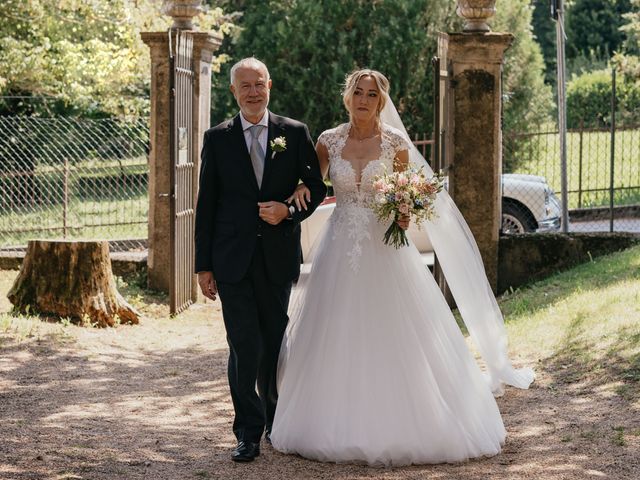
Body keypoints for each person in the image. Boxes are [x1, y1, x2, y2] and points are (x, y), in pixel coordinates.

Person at [270, 69, 534, 466]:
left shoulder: (395, 145)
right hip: (339, 247)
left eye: (371, 94)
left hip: (384, 247)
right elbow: (310, 183)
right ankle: (332, 418)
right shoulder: (328, 141)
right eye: (357, 92)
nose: (363, 99)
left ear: (381, 101)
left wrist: (405, 212)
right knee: (335, 328)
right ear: (348, 97)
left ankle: (410, 417)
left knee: (392, 327)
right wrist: (290, 197)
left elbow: (404, 195)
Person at [194, 57, 327, 463]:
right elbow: (207, 205)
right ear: (233, 91)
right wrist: (203, 265)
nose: (253, 91)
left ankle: (273, 420)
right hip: (231, 259)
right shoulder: (217, 139)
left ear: (270, 86)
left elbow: (317, 189)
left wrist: (288, 212)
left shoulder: (294, 132)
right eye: (245, 85)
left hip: (276, 257)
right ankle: (247, 432)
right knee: (243, 345)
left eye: (259, 84)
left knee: (272, 342)